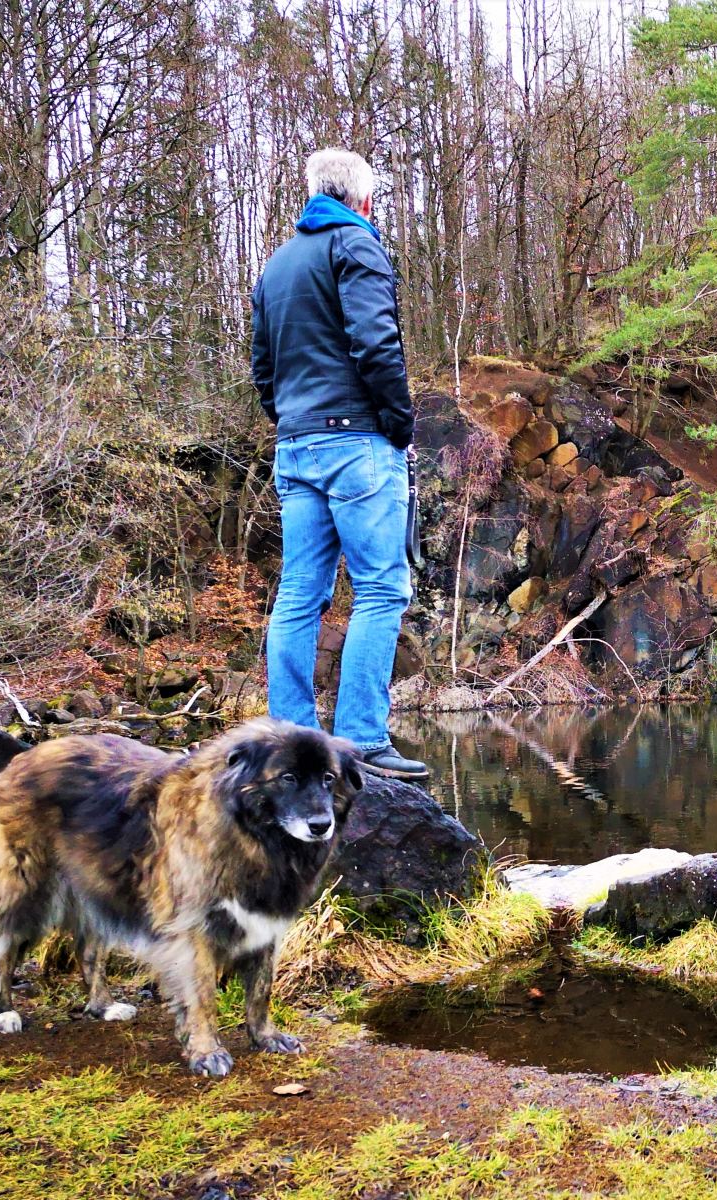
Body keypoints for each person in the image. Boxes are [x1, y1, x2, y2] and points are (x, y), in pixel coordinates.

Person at [251, 148, 428, 780]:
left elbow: (263, 372)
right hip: (358, 444)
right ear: (364, 199)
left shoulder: (275, 266)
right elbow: (376, 343)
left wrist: (293, 423)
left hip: (296, 446)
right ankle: (360, 741)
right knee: (382, 588)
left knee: (300, 593)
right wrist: (400, 425)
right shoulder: (356, 245)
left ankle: (288, 743)